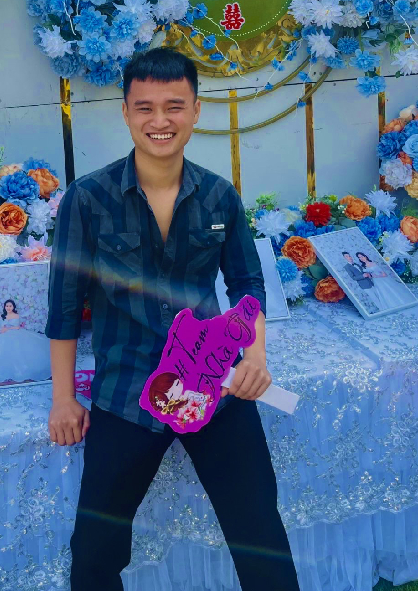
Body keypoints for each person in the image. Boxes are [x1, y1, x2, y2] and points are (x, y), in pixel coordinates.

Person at [46, 47, 299, 590]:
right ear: (126, 112)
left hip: (214, 382)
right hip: (126, 393)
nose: (159, 120)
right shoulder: (87, 199)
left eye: (174, 106)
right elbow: (64, 307)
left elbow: (247, 284)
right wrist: (63, 399)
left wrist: (255, 357)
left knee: (260, 534)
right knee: (95, 553)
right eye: (145, 107)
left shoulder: (219, 195)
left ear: (196, 111)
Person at [0, 299, 51, 385]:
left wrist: (7, 329)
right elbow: (2, 325)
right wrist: (3, 328)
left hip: (14, 333)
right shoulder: (2, 315)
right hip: (3, 332)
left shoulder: (16, 315)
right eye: (7, 306)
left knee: (17, 349)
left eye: (10, 306)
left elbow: (17, 327)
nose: (8, 308)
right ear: (4, 307)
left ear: (13, 307)